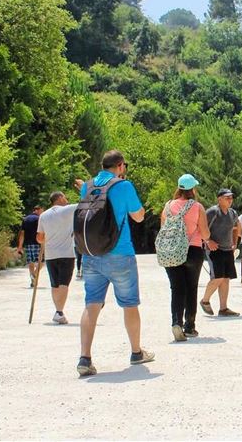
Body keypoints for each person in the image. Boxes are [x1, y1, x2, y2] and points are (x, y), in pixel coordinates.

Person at [76, 150, 153, 377]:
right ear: (120, 166)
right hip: (120, 254)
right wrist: (140, 210)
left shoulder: (87, 186)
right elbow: (138, 216)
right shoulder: (123, 186)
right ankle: (136, 352)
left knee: (92, 304)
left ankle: (85, 357)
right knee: (129, 304)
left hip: (91, 254)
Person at [160, 174, 210, 342]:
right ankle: (189, 326)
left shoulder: (167, 207)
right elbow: (205, 233)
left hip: (172, 251)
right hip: (192, 251)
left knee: (177, 288)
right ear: (192, 189)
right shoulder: (197, 207)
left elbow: (163, 229)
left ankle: (176, 322)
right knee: (191, 288)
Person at [36, 192, 77, 325]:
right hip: (66, 254)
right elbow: (85, 204)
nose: (66, 199)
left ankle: (58, 311)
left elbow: (39, 238)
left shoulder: (44, 215)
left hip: (51, 255)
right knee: (64, 283)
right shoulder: (68, 209)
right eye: (64, 197)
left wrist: (49, 238)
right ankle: (59, 312)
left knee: (54, 285)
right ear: (59, 198)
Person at [200, 189, 242, 317]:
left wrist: (235, 243)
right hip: (214, 250)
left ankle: (223, 308)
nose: (230, 200)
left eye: (231, 197)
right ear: (219, 199)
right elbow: (201, 227)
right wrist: (208, 241)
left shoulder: (232, 213)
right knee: (217, 277)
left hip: (228, 249)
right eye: (227, 197)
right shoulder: (212, 212)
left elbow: (236, 228)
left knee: (225, 279)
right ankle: (205, 300)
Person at [18, 206, 43, 287]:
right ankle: (34, 275)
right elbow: (41, 232)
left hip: (28, 244)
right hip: (37, 243)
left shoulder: (25, 219)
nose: (42, 212)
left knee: (31, 263)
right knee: (41, 262)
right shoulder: (39, 219)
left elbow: (22, 234)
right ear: (37, 210)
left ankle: (33, 281)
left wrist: (20, 246)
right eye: (41, 210)